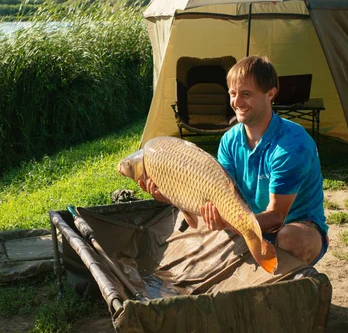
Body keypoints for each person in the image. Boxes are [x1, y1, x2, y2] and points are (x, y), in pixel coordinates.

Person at [140, 55, 328, 266]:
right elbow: (217, 195)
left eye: (246, 94)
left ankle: (291, 281)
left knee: (293, 239)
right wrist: (173, 196)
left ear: (270, 94)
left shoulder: (293, 144)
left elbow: (277, 216)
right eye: (232, 93)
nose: (237, 102)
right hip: (244, 219)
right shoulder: (230, 140)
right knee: (200, 231)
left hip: (295, 224)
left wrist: (232, 223)